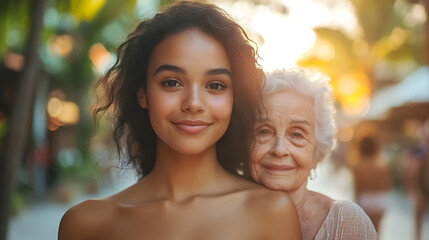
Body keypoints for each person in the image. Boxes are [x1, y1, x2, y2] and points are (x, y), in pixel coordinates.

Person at [58, 1, 301, 239]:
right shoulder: (85, 224)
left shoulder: (272, 213)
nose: (193, 103)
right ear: (143, 94)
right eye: (171, 82)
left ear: (233, 97)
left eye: (215, 85)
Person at [250, 68, 377, 240]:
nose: (279, 149)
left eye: (297, 134)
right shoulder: (219, 217)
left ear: (317, 153)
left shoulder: (345, 222)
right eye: (264, 131)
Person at [353, 135, 392, 232]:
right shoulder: (382, 165)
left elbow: (358, 189)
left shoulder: (358, 166)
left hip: (366, 200)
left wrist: (354, 206)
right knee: (377, 232)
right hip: (380, 200)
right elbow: (387, 186)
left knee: (366, 232)